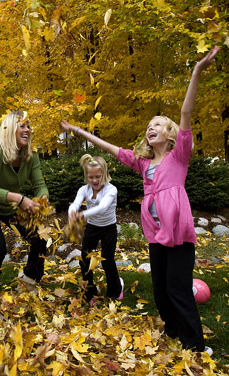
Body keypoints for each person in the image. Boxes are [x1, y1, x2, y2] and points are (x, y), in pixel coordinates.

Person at [60, 46, 220, 355]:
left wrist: (197, 70)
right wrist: (79, 131)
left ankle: (197, 347)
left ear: (170, 133)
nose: (151, 127)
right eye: (148, 126)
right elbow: (111, 149)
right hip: (156, 234)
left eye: (158, 124)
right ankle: (173, 332)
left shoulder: (179, 156)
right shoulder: (144, 164)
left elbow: (186, 113)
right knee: (160, 291)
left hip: (179, 233)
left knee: (177, 290)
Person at [0, 110, 49, 292]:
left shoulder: (31, 155)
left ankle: (29, 279)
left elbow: (39, 185)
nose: (27, 129)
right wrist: (19, 198)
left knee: (41, 239)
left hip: (11, 207)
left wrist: (42, 200)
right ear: (9, 130)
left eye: (28, 126)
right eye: (22, 126)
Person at [68, 154, 123, 303]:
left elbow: (102, 207)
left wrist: (82, 215)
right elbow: (75, 203)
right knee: (84, 259)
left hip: (109, 228)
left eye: (98, 176)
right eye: (91, 177)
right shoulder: (84, 189)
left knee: (107, 260)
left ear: (104, 174)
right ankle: (89, 292)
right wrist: (71, 213)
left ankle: (116, 290)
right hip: (92, 227)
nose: (95, 180)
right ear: (86, 176)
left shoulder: (111, 190)